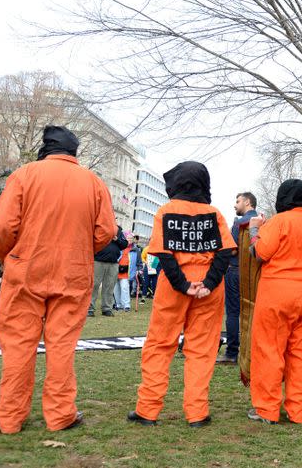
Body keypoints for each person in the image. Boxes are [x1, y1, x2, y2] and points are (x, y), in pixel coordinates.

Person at [0, 125, 116, 434]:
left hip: (25, 269)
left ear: (45, 149)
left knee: (19, 345)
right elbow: (107, 232)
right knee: (62, 346)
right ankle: (60, 415)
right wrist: (82, 249)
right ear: (73, 152)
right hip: (73, 272)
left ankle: (10, 419)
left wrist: (7, 255)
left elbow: (2, 227)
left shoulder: (24, 175)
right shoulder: (94, 182)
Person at [128, 161, 236, 428]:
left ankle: (147, 410)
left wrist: (182, 284)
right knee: (202, 349)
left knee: (159, 345)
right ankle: (197, 413)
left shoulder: (166, 211)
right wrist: (208, 283)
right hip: (209, 287)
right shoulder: (215, 214)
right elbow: (225, 252)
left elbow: (163, 253)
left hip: (173, 285)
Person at [247, 179, 302, 424]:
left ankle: (266, 409)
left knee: (269, 351)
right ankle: (299, 411)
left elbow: (259, 253)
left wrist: (255, 230)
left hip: (276, 292)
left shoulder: (278, 222)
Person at [217, 192, 258, 365]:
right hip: (255, 273)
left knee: (233, 313)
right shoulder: (263, 221)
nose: (235, 205)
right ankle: (254, 352)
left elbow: (232, 249)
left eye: (238, 201)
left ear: (247, 202)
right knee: (254, 313)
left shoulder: (240, 222)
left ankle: (232, 353)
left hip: (235, 270)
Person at [89, 218, 128, 317]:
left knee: (109, 286)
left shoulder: (118, 230)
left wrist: (117, 239)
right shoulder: (98, 228)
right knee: (94, 285)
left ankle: (107, 309)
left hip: (113, 263)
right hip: (98, 261)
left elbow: (124, 244)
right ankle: (90, 308)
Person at [114, 232, 134, 312]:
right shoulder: (120, 247)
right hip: (116, 270)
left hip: (126, 272)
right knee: (116, 289)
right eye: (128, 238)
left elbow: (138, 262)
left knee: (125, 288)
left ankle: (126, 305)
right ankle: (118, 304)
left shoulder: (135, 249)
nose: (130, 240)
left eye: (131, 238)